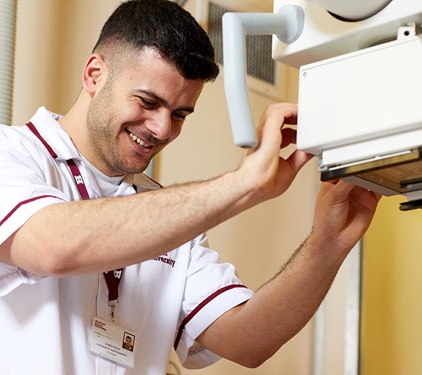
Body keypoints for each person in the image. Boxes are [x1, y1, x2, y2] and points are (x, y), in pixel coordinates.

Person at [0, 0, 381, 374]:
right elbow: (53, 246)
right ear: (95, 74)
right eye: (148, 102)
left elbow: (248, 342)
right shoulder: (13, 154)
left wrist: (328, 244)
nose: (163, 129)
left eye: (180, 114)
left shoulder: (167, 214)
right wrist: (244, 184)